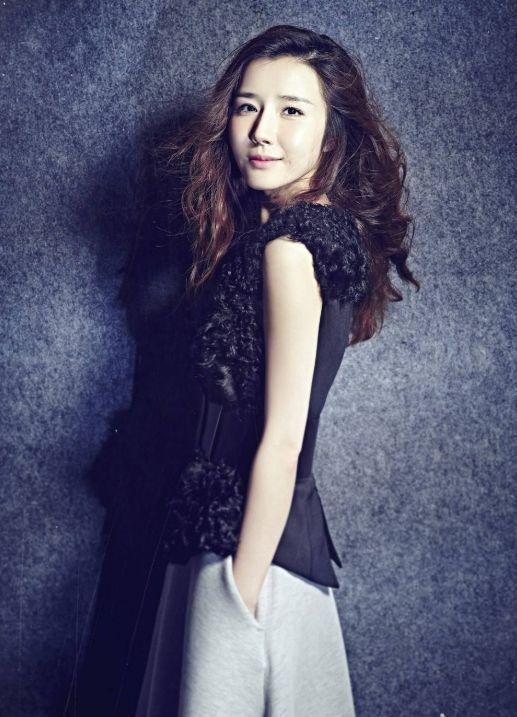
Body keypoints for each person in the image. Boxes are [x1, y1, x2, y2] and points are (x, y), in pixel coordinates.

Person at [63, 24, 419, 717]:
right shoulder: (299, 236)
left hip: (247, 551)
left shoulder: (288, 248)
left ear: (331, 136)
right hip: (238, 535)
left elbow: (283, 438)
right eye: (247, 106)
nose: (261, 130)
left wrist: (236, 597)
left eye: (292, 110)